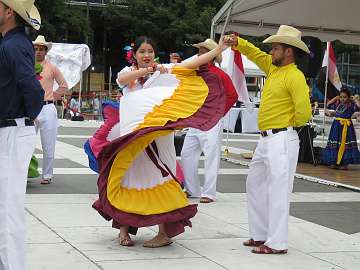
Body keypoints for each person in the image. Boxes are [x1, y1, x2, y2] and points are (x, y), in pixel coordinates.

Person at [89, 35, 229, 248]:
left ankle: (164, 233)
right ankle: (124, 231)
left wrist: (219, 48)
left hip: (158, 138)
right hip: (132, 138)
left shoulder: (164, 71)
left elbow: (192, 63)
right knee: (126, 180)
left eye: (150, 52)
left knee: (161, 178)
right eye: (142, 52)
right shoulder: (130, 73)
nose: (146, 55)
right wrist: (148, 70)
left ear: (155, 54)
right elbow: (122, 81)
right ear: (134, 55)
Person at [225, 25, 312, 254]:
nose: (271, 52)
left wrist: (287, 124)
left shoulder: (295, 76)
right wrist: (238, 42)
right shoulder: (274, 69)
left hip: (282, 138)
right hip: (266, 140)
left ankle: (277, 242)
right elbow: (255, 53)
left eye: (275, 48)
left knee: (278, 190)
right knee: (254, 184)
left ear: (288, 51)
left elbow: (304, 112)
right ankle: (261, 234)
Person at [0, 1, 44, 269]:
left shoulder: (14, 45)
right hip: (10, 128)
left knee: (9, 209)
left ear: (8, 12)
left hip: (12, 130)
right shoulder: (9, 42)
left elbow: (31, 88)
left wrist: (29, 115)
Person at [181, 38, 238, 203]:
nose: (200, 54)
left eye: (204, 51)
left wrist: (218, 113)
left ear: (212, 55)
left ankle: (209, 192)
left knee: (211, 156)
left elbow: (233, 95)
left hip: (211, 122)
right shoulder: (194, 73)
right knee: (186, 155)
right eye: (200, 51)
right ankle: (192, 190)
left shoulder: (220, 75)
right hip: (195, 121)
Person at [33, 35, 69, 185]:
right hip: (30, 108)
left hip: (47, 107)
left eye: (41, 49)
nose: (38, 52)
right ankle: (24, 171)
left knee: (48, 144)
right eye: (36, 49)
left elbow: (64, 85)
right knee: (26, 143)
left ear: (46, 51)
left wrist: (53, 95)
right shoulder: (27, 65)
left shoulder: (52, 67)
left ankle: (47, 175)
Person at [323, 88, 360, 169]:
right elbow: (332, 109)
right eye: (341, 97)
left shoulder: (352, 105)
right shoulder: (339, 105)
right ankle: (334, 161)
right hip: (336, 127)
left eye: (345, 97)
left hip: (346, 127)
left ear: (349, 97)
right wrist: (329, 112)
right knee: (335, 144)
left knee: (344, 144)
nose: (342, 99)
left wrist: (355, 100)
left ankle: (344, 163)